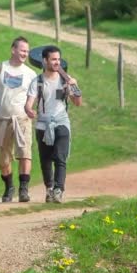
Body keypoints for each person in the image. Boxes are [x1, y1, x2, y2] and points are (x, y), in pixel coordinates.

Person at [25, 45, 82, 203]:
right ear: (44, 61)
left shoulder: (65, 80)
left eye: (58, 59)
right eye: (53, 59)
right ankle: (49, 189)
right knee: (45, 159)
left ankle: (58, 190)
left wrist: (74, 87)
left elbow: (77, 102)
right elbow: (29, 103)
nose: (57, 62)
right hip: (43, 124)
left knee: (59, 156)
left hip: (62, 122)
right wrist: (29, 110)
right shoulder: (37, 81)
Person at [0, 36, 37, 203]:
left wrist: (29, 108)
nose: (25, 54)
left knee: (25, 153)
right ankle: (9, 187)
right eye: (22, 50)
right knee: (3, 157)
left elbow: (32, 95)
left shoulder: (30, 74)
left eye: (27, 51)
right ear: (13, 50)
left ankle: (23, 189)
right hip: (1, 118)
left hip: (22, 119)